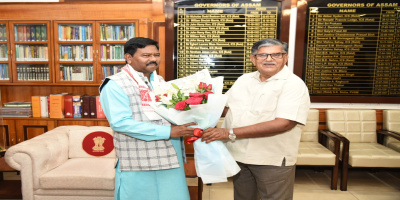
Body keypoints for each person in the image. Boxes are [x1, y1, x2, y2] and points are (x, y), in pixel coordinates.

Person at [202, 38, 310, 200]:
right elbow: (227, 109)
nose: (269, 59)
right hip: (239, 155)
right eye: (263, 55)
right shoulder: (244, 80)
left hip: (270, 158)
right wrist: (198, 105)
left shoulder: (293, 84)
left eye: (276, 55)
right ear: (253, 59)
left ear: (285, 58)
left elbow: (284, 123)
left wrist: (228, 132)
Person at [99, 37, 196, 200]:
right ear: (129, 58)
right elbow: (120, 123)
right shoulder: (115, 84)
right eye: (146, 55)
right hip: (138, 159)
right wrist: (169, 131)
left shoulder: (159, 81)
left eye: (156, 55)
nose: (153, 59)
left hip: (170, 156)